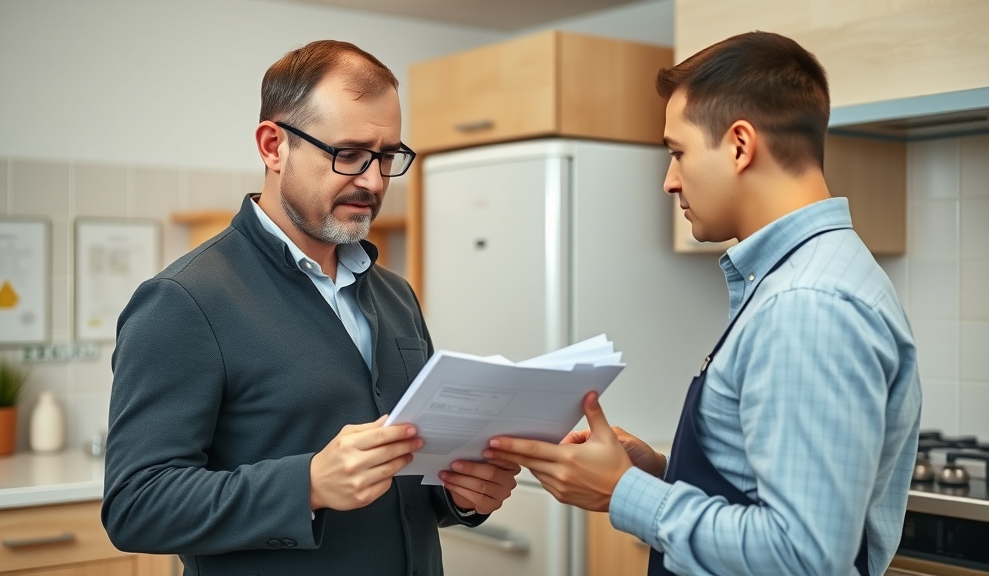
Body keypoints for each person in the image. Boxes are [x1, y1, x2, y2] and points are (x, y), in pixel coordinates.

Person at [486, 31, 921, 576]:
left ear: (739, 145)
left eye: (677, 152)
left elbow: (804, 558)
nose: (669, 182)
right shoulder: (803, 278)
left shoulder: (807, 305)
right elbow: (757, 495)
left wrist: (622, 492)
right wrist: (659, 474)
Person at [102, 40, 519, 576]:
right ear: (273, 147)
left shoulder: (396, 294)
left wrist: (461, 496)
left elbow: (408, 486)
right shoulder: (183, 301)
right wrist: (309, 485)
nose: (373, 181)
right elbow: (136, 506)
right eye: (349, 154)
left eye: (386, 157)